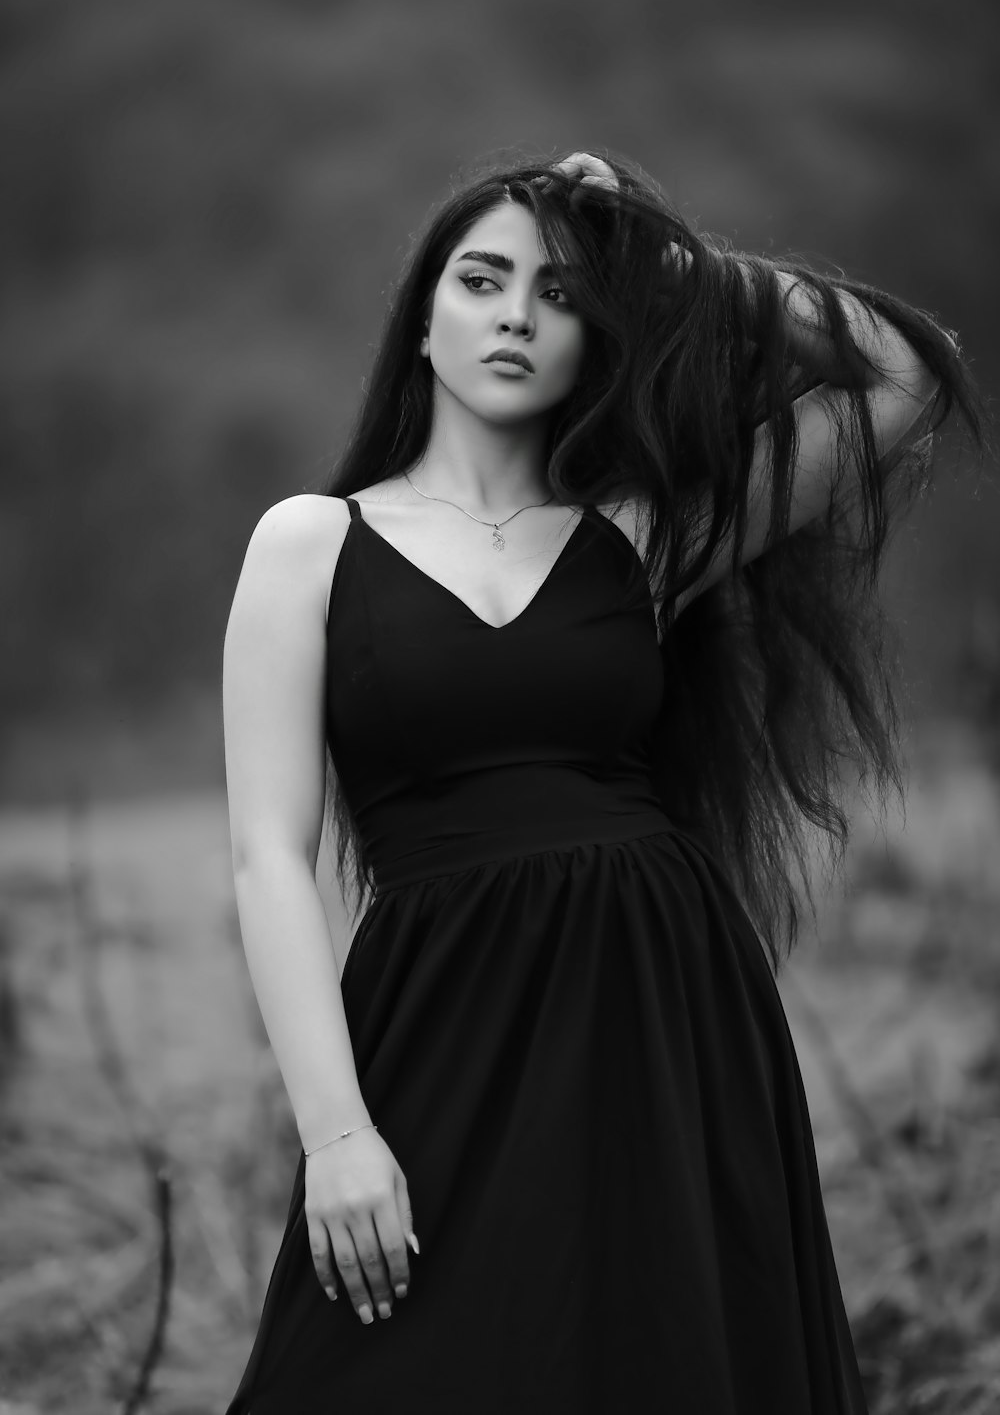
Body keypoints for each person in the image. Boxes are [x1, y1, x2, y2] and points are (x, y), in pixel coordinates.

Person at [221, 150, 982, 1413]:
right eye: (482, 281)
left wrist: (669, 256)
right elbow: (266, 856)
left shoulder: (642, 533)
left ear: (599, 337)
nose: (516, 314)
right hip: (437, 1019)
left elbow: (898, 379)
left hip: (665, 1006)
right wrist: (336, 1134)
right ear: (423, 318)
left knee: (658, 1357)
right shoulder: (312, 543)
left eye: (563, 293)